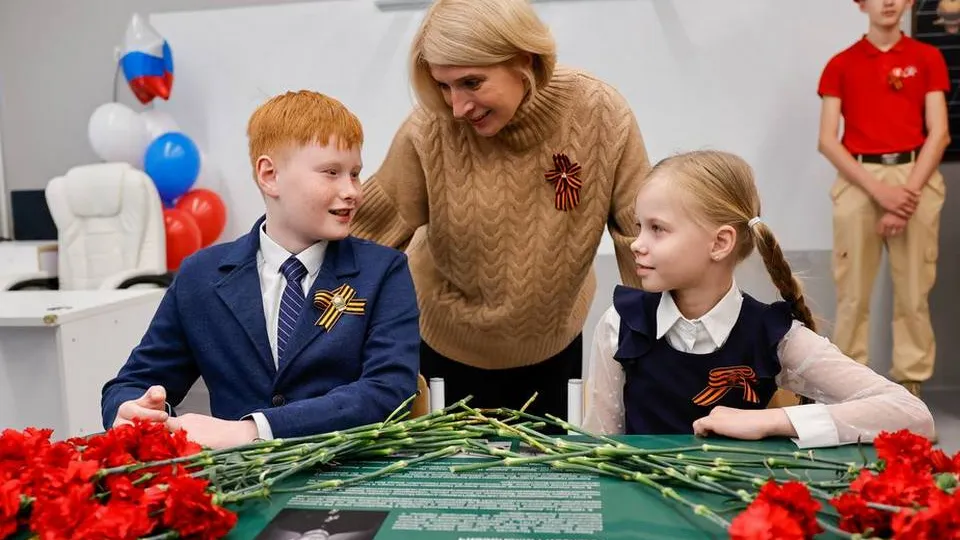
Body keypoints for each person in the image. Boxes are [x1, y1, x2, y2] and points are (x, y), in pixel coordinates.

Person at [350, 0, 648, 426]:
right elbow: (368, 235)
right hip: (443, 350)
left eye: (472, 82)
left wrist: (657, 351)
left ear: (523, 59)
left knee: (544, 480)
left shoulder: (599, 113)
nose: (457, 107)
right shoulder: (429, 129)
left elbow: (641, 239)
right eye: (444, 86)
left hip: (553, 347)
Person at [101, 91, 420, 448]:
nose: (352, 191)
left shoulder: (384, 271)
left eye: (355, 174)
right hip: (236, 484)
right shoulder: (201, 276)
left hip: (347, 474)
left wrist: (254, 430)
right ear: (269, 175)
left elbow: (389, 391)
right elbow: (132, 382)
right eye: (331, 173)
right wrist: (131, 407)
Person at [582, 150, 935, 448]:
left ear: (720, 243)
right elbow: (600, 447)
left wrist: (775, 421)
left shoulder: (775, 335)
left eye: (657, 229)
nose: (637, 244)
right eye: (639, 226)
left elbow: (913, 414)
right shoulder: (620, 324)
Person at [817, 0, 951, 397]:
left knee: (914, 292)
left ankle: (910, 391)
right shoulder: (841, 64)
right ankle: (850, 390)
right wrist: (881, 193)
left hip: (916, 174)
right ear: (860, 3)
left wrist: (906, 196)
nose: (888, 2)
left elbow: (939, 133)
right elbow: (827, 140)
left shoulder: (927, 58)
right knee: (852, 293)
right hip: (860, 179)